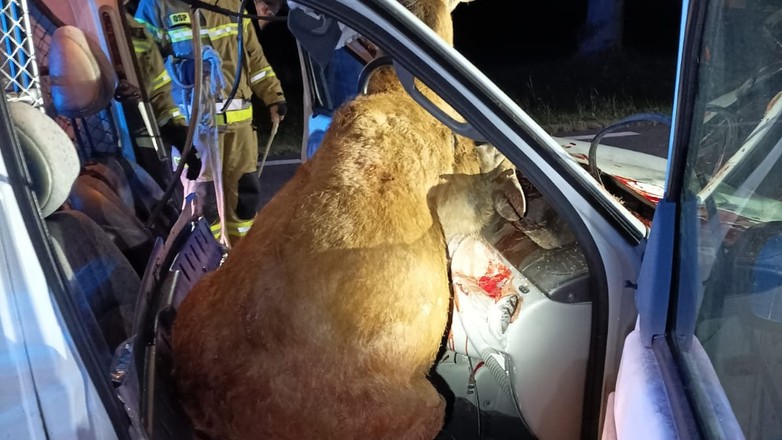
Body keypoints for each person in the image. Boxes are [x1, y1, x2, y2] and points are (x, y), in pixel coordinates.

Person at [135, 0, 286, 245]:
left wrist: (273, 95)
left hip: (239, 127)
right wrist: (169, 121)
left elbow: (253, 56)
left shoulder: (231, 3)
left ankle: (241, 259)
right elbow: (146, 67)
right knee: (203, 206)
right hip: (195, 131)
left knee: (245, 200)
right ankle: (208, 267)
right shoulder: (156, 6)